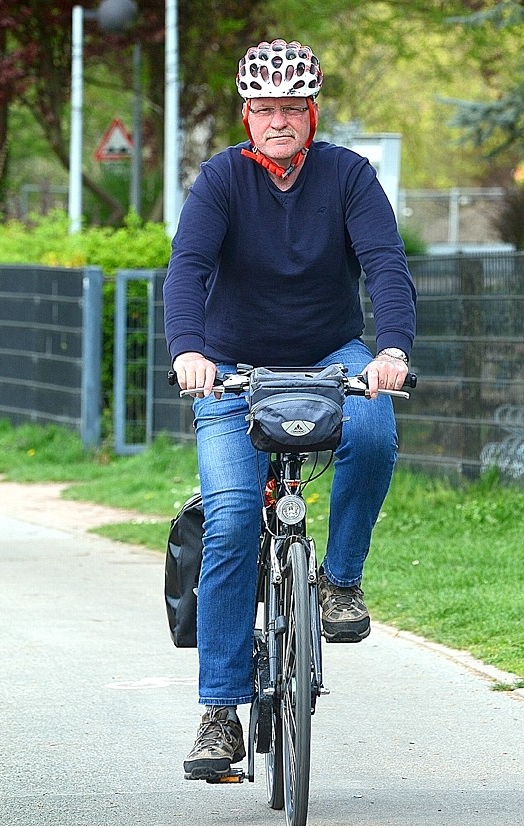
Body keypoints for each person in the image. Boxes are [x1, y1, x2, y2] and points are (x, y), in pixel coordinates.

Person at [162, 38, 417, 781]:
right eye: (265, 109)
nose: (278, 121)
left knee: (373, 431)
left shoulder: (348, 176)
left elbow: (385, 267)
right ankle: (219, 712)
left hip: (329, 354)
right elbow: (188, 269)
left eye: (292, 109)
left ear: (313, 113)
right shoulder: (220, 181)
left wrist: (390, 351)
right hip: (231, 366)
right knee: (235, 517)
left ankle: (339, 581)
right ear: (249, 114)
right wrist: (189, 350)